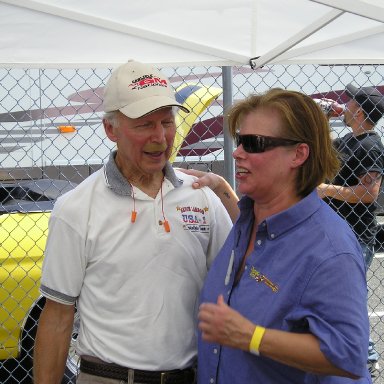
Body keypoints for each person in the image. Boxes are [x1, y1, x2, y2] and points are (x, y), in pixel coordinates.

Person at [33, 60, 232, 384]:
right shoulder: (76, 208)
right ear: (110, 129)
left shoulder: (201, 197)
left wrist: (224, 191)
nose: (160, 136)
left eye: (167, 122)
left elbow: (235, 281)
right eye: (144, 124)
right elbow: (57, 317)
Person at [186, 88, 372, 383]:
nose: (237, 152)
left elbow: (349, 354)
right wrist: (221, 188)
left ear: (299, 154)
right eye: (239, 141)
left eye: (254, 143)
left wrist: (251, 336)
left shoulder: (330, 250)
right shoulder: (250, 219)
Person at [317, 84, 384, 378]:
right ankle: (355, 350)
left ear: (358, 110)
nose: (344, 103)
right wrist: (324, 118)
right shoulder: (348, 140)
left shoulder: (370, 145)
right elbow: (322, 153)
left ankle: (365, 355)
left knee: (349, 295)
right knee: (339, 294)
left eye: (349, 101)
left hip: (356, 235)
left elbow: (370, 193)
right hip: (336, 233)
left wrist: (326, 190)